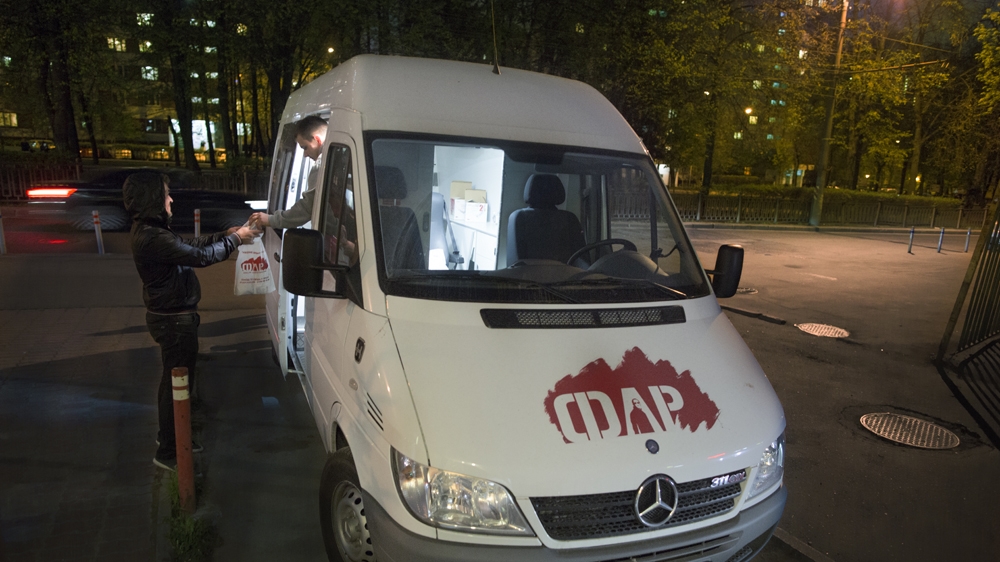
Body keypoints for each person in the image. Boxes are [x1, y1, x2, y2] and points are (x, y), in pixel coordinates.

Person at [123, 171, 259, 471]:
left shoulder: (154, 231)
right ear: (153, 199)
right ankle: (170, 452)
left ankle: (172, 438)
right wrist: (237, 239)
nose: (171, 199)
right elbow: (200, 258)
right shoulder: (151, 236)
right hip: (173, 321)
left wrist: (226, 235)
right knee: (177, 385)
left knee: (174, 382)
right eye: (166, 193)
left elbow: (191, 247)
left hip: (172, 317)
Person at [249, 115, 328, 230]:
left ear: (317, 139)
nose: (305, 155)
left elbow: (307, 208)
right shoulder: (341, 156)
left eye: (305, 147)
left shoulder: (321, 166)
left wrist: (271, 219)